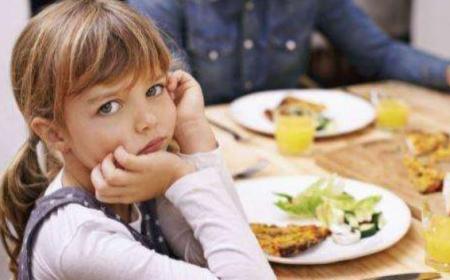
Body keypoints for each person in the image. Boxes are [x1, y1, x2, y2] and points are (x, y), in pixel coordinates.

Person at [0, 1, 276, 279]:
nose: (147, 121)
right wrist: (180, 175)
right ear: (55, 134)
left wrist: (194, 133)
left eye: (154, 89)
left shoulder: (143, 181)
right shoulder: (80, 241)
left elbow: (228, 251)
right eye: (109, 107)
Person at [129, 0, 450, 104]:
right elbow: (168, 90)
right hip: (201, 149)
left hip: (293, 142)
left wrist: (445, 72)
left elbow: (380, 54)